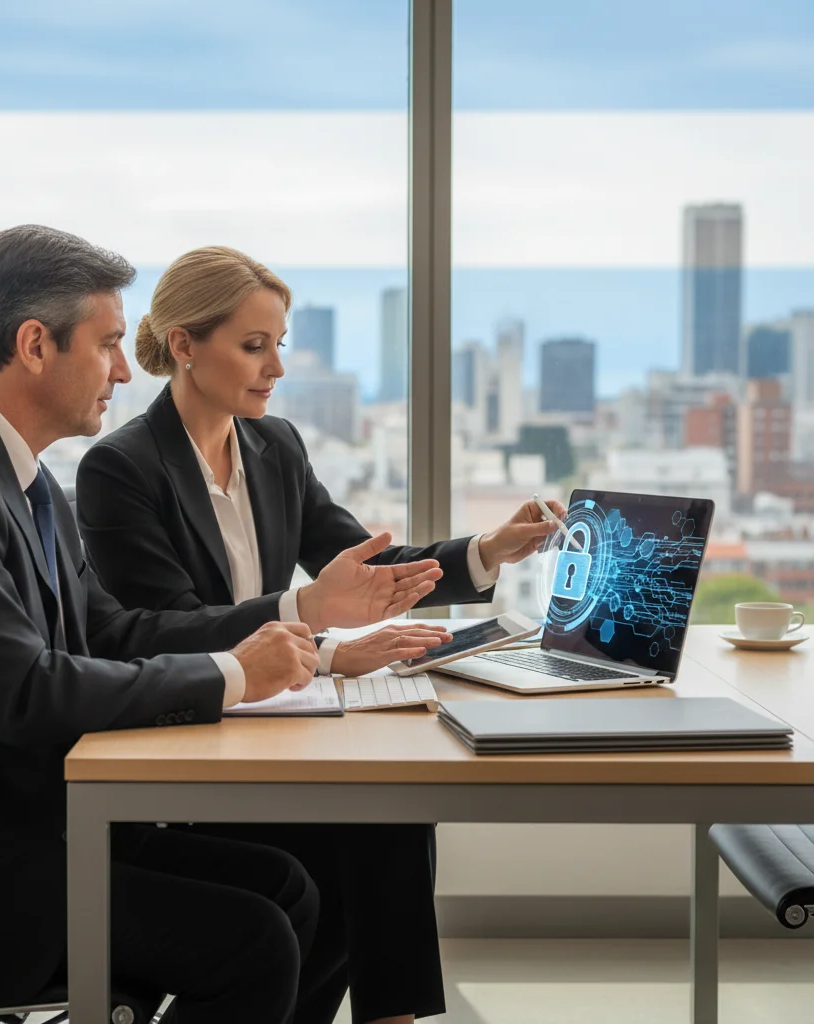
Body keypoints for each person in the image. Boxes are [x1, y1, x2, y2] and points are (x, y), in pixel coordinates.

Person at [0, 226, 442, 1024]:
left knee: (290, 886)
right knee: (252, 941)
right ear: (36, 345)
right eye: (105, 345)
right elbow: (26, 692)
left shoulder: (21, 477)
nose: (126, 368)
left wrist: (270, 647)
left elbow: (112, 630)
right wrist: (235, 676)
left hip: (13, 832)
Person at [76, 245, 563, 1024]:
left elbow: (367, 565)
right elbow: (159, 630)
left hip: (279, 719)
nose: (274, 368)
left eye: (279, 345)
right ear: (184, 346)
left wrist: (486, 551)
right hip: (198, 725)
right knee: (372, 832)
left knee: (393, 814)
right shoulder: (120, 468)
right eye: (253, 346)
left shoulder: (275, 447)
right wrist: (322, 635)